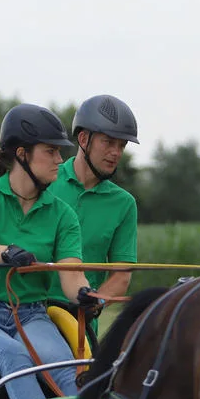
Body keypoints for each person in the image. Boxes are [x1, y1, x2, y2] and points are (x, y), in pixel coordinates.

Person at [0, 103, 100, 399]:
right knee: (14, 357)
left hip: (32, 314)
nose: (60, 160)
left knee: (66, 370)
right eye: (50, 151)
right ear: (21, 154)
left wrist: (84, 295)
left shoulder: (62, 215)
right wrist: (7, 253)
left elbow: (72, 274)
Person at [47, 95, 139, 322]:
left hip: (80, 327)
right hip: (27, 315)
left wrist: (95, 303)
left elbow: (121, 276)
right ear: (83, 139)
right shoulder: (45, 183)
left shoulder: (124, 203)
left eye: (122, 145)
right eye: (108, 142)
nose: (116, 152)